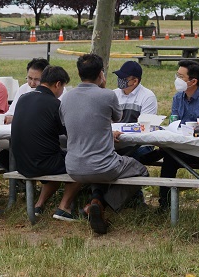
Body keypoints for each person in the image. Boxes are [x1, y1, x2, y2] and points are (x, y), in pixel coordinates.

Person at [60, 54, 148, 235]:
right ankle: (101, 204)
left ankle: (95, 201)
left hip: (73, 166)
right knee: (141, 170)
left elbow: (68, 122)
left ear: (78, 73)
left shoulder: (66, 97)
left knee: (97, 168)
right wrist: (103, 88)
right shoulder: (108, 95)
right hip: (105, 165)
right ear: (101, 73)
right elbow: (117, 118)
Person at [10, 65, 83, 221]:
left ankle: (39, 205)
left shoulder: (23, 99)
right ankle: (64, 208)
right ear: (58, 84)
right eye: (62, 87)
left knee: (56, 157)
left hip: (21, 163)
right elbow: (71, 132)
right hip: (42, 164)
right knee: (83, 163)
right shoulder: (55, 104)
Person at [158, 59, 199, 209]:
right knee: (168, 156)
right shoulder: (177, 98)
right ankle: (164, 203)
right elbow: (174, 123)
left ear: (193, 81)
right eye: (177, 75)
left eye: (181, 77)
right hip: (183, 146)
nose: (177, 80)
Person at [112, 60, 159, 163]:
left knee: (128, 159)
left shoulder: (147, 97)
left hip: (140, 144)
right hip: (116, 142)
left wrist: (121, 133)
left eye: (123, 78)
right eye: (119, 77)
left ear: (135, 81)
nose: (120, 80)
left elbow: (144, 127)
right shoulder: (113, 94)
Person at [5, 57, 49, 123]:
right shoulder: (23, 88)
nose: (32, 83)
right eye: (30, 78)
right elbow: (11, 112)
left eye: (37, 80)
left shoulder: (54, 90)